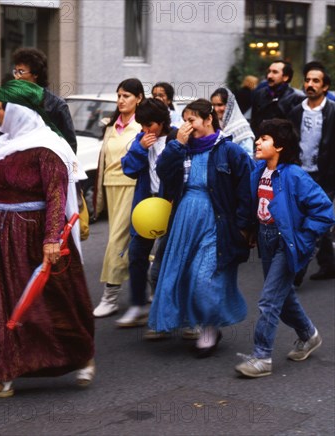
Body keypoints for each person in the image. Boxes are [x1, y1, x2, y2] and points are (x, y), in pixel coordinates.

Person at [0, 79, 95, 401]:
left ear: (19, 111)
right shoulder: (4, 145)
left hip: (33, 238)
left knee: (53, 303)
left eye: (1, 108)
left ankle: (81, 353)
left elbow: (57, 196)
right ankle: (0, 375)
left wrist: (51, 241)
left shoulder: (48, 148)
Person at [148, 99, 254, 357]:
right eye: (184, 120)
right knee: (180, 274)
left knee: (203, 277)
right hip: (184, 218)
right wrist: (177, 145)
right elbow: (163, 171)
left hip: (216, 220)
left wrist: (244, 227)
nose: (187, 126)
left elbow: (246, 190)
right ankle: (198, 325)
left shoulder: (230, 151)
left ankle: (210, 328)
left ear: (208, 119)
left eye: (192, 120)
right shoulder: (182, 147)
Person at [235, 119, 334, 378]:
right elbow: (259, 206)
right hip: (267, 239)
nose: (258, 141)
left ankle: (262, 356)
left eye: (264, 138)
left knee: (269, 300)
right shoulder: (258, 171)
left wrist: (304, 236)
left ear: (279, 146)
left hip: (287, 242)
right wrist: (254, 230)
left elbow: (325, 211)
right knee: (283, 295)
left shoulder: (295, 176)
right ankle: (309, 335)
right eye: (259, 137)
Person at [116, 98, 176, 327]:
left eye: (149, 124)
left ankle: (165, 309)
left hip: (170, 205)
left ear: (161, 122)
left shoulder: (176, 138)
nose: (145, 129)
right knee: (137, 254)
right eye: (141, 125)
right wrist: (141, 149)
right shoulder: (141, 140)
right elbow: (129, 169)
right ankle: (138, 304)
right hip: (146, 204)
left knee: (167, 258)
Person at [92, 78, 144, 318]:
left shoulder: (142, 127)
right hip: (110, 186)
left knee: (117, 240)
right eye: (119, 95)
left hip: (131, 186)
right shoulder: (111, 127)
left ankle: (110, 297)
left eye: (126, 96)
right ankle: (148, 289)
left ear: (139, 98)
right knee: (129, 241)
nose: (121, 100)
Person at [287, 61, 335, 282]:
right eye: (307, 80)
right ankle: (329, 264)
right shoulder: (296, 111)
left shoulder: (333, 112)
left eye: (316, 81)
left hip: (325, 176)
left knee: (314, 220)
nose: (310, 84)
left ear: (325, 87)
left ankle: (298, 269)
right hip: (301, 173)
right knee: (316, 221)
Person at [11, 47, 78, 152]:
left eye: (21, 72)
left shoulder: (57, 105)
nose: (17, 77)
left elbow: (70, 145)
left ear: (35, 74)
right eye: (15, 72)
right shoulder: (12, 102)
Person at [250, 60, 303, 135]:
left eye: (275, 72)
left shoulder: (296, 97)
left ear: (285, 77)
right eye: (269, 72)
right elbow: (254, 122)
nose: (269, 76)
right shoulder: (259, 94)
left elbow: (296, 129)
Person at [210, 87, 255, 157]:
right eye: (213, 105)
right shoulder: (214, 125)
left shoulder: (242, 128)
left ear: (229, 106)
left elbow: (248, 157)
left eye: (220, 104)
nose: (216, 109)